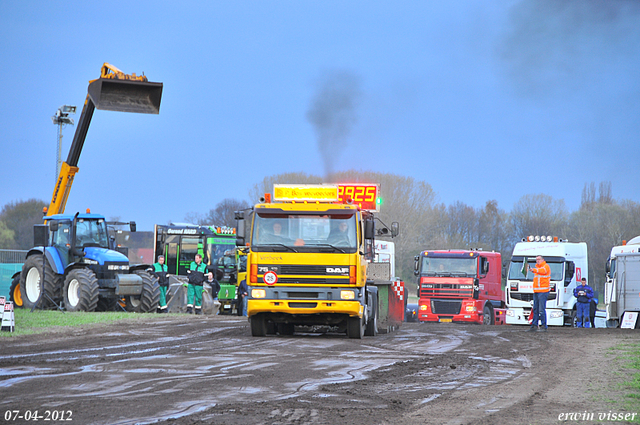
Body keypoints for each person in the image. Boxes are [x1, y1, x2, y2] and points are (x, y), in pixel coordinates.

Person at [527, 255, 550, 332]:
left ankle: (544, 326)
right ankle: (534, 325)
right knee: (535, 309)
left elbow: (543, 271)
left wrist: (533, 270)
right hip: (536, 292)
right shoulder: (537, 269)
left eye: (539, 259)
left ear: (543, 259)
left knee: (541, 309)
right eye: (536, 259)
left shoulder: (546, 267)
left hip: (543, 292)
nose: (537, 261)